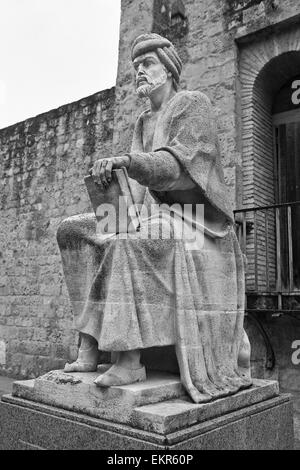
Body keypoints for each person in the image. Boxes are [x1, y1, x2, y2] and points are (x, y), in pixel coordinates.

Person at [57, 33, 252, 403]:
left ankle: (129, 359)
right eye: (135, 67)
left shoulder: (193, 104)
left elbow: (174, 167)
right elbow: (139, 194)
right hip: (156, 217)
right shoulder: (142, 123)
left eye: (147, 64)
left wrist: (129, 164)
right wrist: (112, 195)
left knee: (129, 240)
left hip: (199, 222)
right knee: (75, 231)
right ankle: (89, 344)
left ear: (169, 67)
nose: (139, 72)